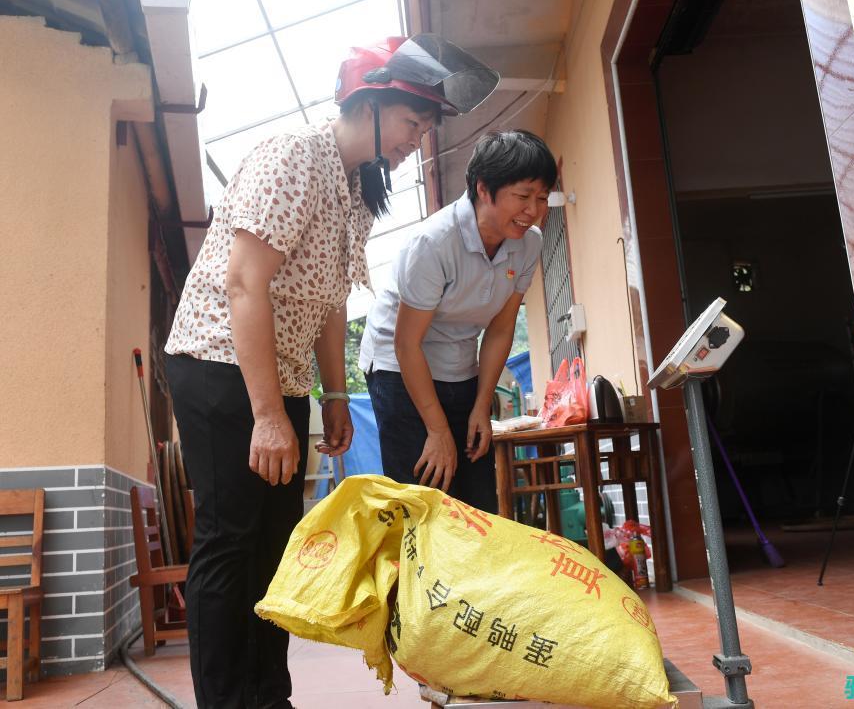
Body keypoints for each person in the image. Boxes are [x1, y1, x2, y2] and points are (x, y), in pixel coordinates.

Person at [163, 35, 497, 708]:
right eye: (411, 123)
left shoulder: (354, 189)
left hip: (278, 381)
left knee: (276, 545)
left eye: (426, 128)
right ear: (366, 103)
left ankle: (267, 696)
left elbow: (327, 298)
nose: (416, 139)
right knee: (230, 540)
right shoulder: (293, 157)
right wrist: (264, 414)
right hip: (218, 368)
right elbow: (243, 285)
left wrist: (332, 393)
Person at [360, 129, 558, 513]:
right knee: (423, 496)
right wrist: (437, 430)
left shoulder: (528, 243)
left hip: (459, 365)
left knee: (475, 500)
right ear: (484, 189)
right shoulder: (434, 243)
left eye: (542, 198)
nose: (533, 210)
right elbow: (406, 344)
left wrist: (481, 406)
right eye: (522, 196)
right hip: (398, 365)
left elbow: (501, 330)